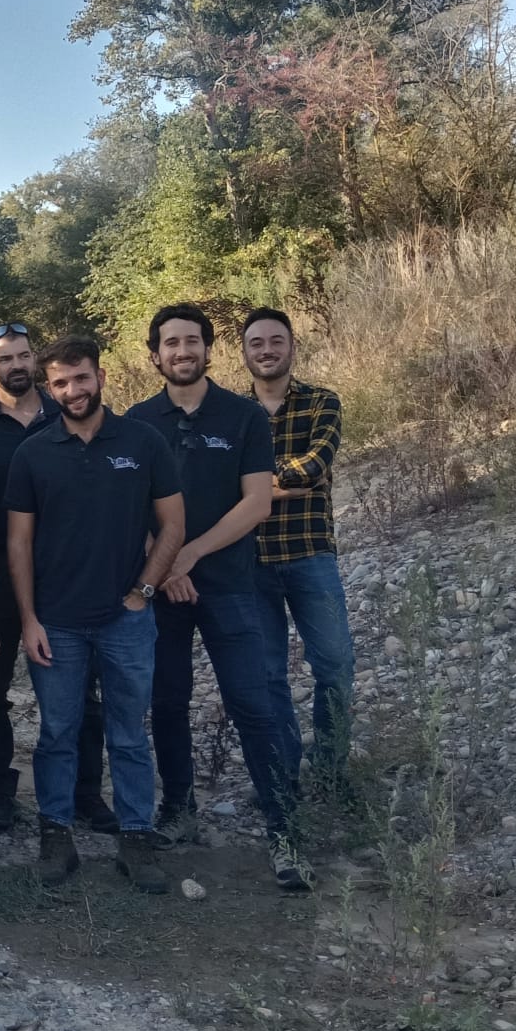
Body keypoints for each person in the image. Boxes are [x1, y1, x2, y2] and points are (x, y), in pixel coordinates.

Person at [132, 304, 308, 892]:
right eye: (170, 344)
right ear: (154, 355)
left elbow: (257, 502)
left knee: (253, 704)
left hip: (231, 584)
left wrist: (193, 553)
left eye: (192, 342)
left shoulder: (242, 416)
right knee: (168, 701)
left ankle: (284, 829)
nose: (182, 352)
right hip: (163, 589)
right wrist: (166, 563)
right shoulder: (136, 423)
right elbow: (133, 509)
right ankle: (179, 810)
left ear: (209, 350)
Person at [6, 335, 183, 894]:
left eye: (81, 378)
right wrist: (28, 619)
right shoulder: (33, 452)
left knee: (129, 734)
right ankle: (56, 837)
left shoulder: (143, 440)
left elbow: (173, 525)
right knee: (57, 733)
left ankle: (136, 838)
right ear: (48, 388)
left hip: (125, 619)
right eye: (59, 382)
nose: (72, 390)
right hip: (56, 621)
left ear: (101, 378)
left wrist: (145, 591)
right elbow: (18, 543)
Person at [0, 323, 115, 836]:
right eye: (5, 358)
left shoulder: (67, 415)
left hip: (68, 574)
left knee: (82, 691)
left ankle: (86, 793)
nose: (16, 365)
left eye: (24, 356)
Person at [242, 307, 355, 792]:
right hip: (249, 562)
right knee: (268, 677)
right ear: (244, 352)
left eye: (276, 341)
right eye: (256, 343)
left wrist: (252, 485)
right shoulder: (232, 413)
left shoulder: (322, 402)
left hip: (310, 554)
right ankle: (285, 774)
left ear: (292, 346)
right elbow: (218, 484)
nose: (267, 350)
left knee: (335, 665)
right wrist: (280, 482)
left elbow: (315, 467)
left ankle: (331, 769)